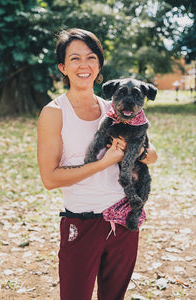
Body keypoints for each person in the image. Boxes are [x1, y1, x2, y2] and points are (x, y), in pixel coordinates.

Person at [37, 28, 158, 300]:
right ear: (62, 67)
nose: (84, 65)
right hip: (82, 222)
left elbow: (153, 155)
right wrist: (110, 160)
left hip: (124, 221)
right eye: (75, 58)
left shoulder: (114, 108)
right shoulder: (54, 113)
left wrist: (135, 152)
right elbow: (50, 179)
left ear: (99, 66)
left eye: (91, 57)